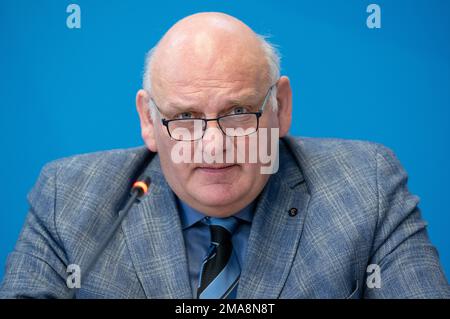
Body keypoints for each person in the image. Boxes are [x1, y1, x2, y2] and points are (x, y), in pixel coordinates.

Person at [1, 12, 449, 299]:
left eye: (238, 113)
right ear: (147, 120)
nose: (213, 146)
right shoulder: (68, 197)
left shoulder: (366, 185)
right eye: (186, 117)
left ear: (281, 108)